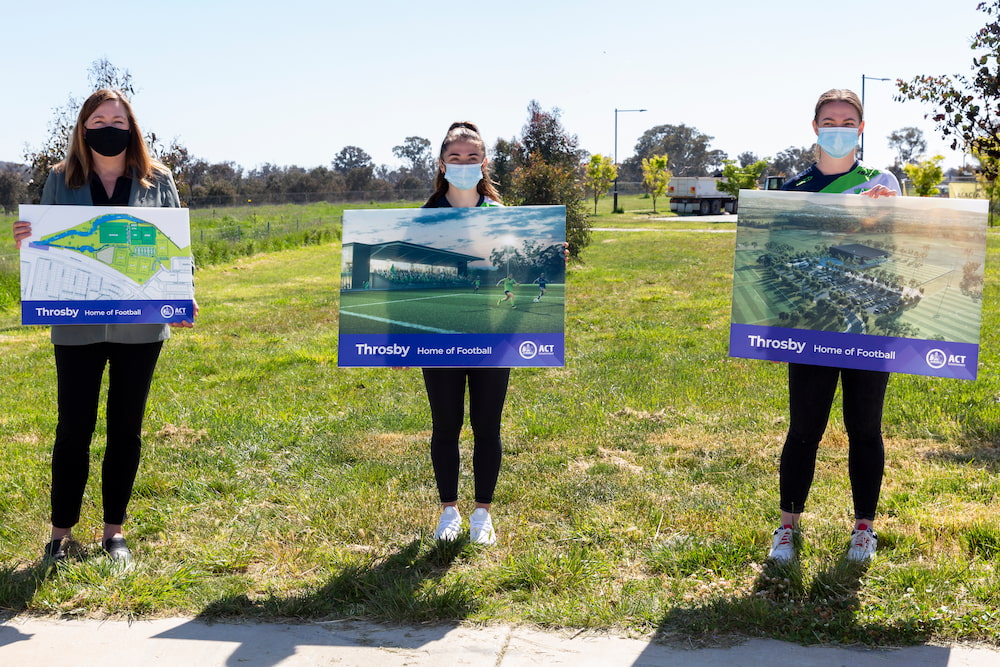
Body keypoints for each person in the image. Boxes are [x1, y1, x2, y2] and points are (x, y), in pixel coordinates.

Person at [13, 89, 196, 565]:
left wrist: (184, 293)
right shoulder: (61, 179)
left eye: (118, 118)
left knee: (126, 429)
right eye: (99, 119)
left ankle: (114, 533)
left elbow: (177, 248)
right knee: (73, 428)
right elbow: (47, 246)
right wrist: (27, 241)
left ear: (132, 127)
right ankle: (59, 536)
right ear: (83, 128)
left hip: (141, 328)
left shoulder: (159, 180)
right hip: (76, 327)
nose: (109, 126)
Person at [768, 89, 899, 564]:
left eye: (847, 121)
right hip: (812, 326)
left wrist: (884, 215)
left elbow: (892, 256)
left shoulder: (883, 182)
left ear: (860, 129)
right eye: (829, 120)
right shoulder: (793, 190)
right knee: (804, 428)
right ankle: (787, 529)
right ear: (815, 127)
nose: (838, 128)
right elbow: (782, 262)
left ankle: (864, 528)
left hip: (866, 323)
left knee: (865, 428)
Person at [421, 121, 507, 545]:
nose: (463, 164)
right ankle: (449, 512)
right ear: (442, 164)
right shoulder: (424, 218)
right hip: (440, 336)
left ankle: (482, 516)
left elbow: (518, 269)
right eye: (455, 158)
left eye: (472, 157)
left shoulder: (503, 218)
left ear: (483, 163)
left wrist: (549, 260)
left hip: (493, 335)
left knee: (487, 425)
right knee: (446, 426)